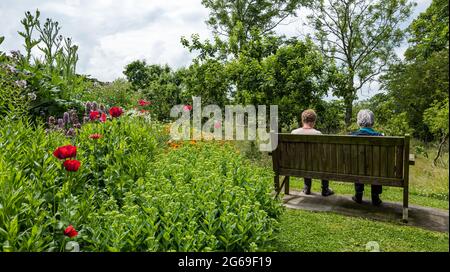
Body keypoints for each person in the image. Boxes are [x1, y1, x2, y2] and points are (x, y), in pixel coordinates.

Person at [292, 109, 334, 197]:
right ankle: (325, 189)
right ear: (314, 121)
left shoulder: (294, 133)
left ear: (302, 120)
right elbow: (323, 154)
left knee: (305, 161)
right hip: (316, 166)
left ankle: (307, 187)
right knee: (322, 162)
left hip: (296, 166)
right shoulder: (318, 134)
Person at [350, 109, 384, 206]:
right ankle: (375, 196)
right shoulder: (380, 137)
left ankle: (358, 195)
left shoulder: (351, 136)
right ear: (372, 122)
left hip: (357, 169)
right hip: (375, 170)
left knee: (358, 166)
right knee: (377, 168)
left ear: (358, 121)